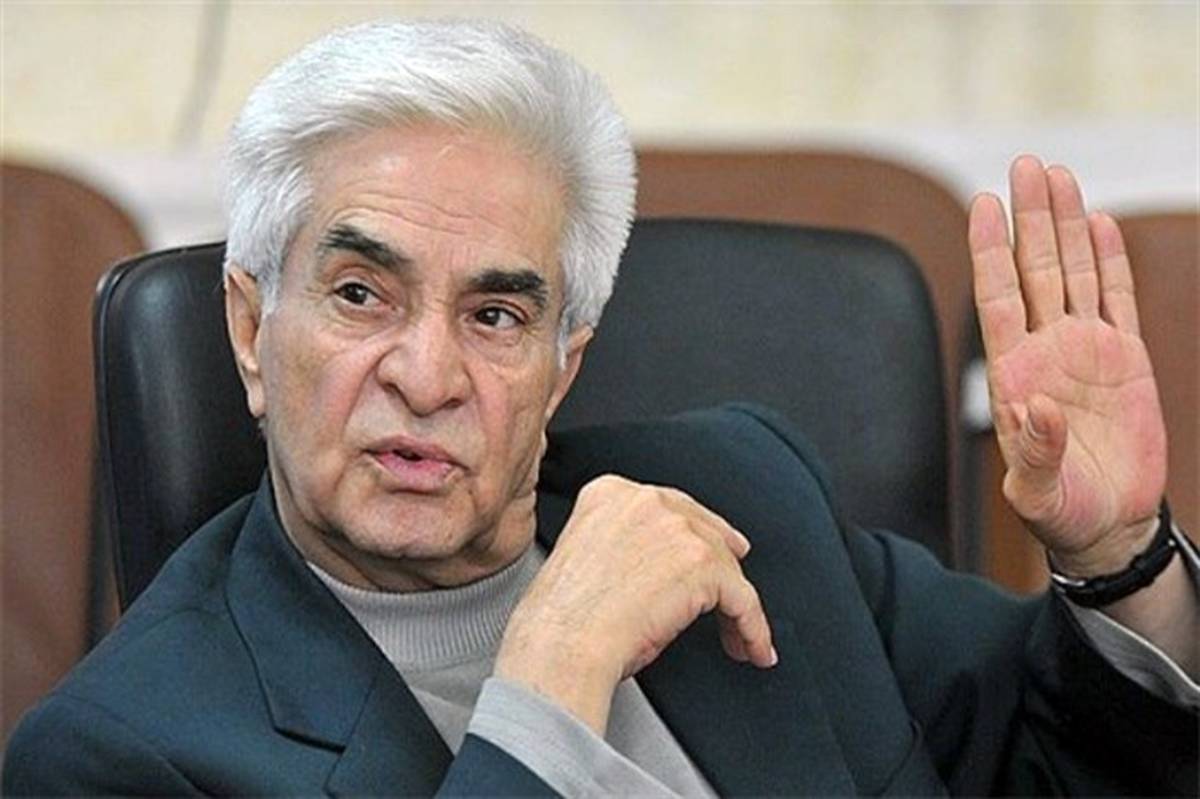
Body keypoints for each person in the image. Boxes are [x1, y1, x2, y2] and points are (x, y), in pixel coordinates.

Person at [4, 18, 1197, 797]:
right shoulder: (120, 755)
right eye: (362, 294)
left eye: (495, 314)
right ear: (250, 332)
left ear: (562, 365)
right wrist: (551, 684)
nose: (427, 375)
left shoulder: (741, 499)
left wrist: (1117, 558)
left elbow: (1074, 765)